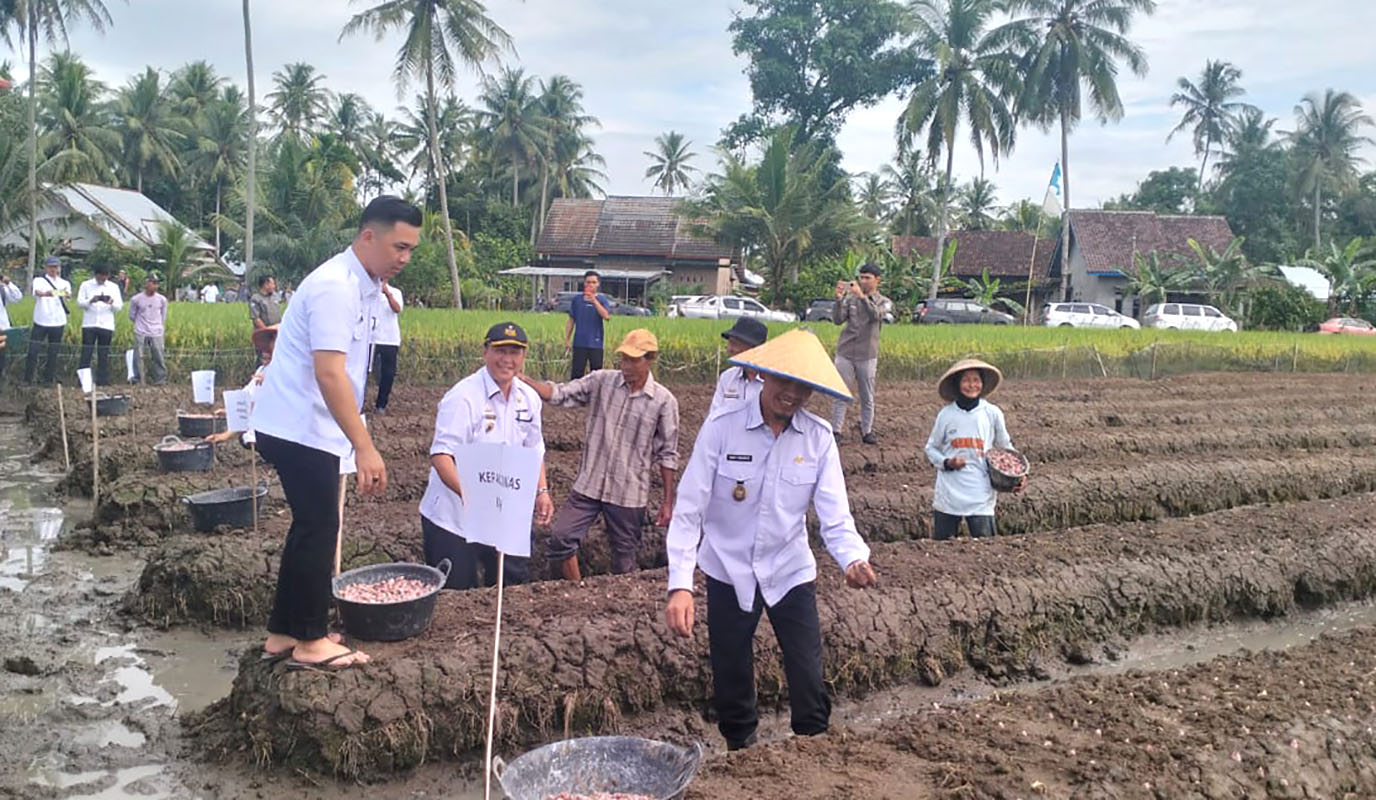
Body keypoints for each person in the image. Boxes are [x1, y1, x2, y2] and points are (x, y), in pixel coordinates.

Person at [664, 328, 878, 751]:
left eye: (803, 387)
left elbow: (836, 517)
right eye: (785, 381)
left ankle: (812, 749)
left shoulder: (817, 438)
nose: (792, 394)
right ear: (764, 376)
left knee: (807, 672)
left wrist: (853, 558)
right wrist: (680, 586)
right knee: (731, 671)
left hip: (789, 568)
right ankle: (741, 753)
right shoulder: (722, 429)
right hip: (728, 568)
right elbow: (689, 510)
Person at [250, 195, 421, 671]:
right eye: (399, 246)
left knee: (311, 526)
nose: (404, 258)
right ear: (369, 236)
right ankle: (310, 641)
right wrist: (364, 447)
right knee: (321, 527)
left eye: (411, 249)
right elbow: (329, 373)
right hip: (300, 425)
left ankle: (284, 633)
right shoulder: (336, 287)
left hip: (308, 426)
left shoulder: (364, 286)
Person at [519, 329, 679, 580]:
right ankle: (578, 591)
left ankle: (616, 606)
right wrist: (527, 382)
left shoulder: (663, 401)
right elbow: (560, 393)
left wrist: (668, 502)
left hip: (628, 492)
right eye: (623, 358)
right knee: (561, 539)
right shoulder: (602, 381)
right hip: (590, 484)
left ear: (650, 359)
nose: (626, 365)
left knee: (624, 557)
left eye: (633, 360)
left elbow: (667, 454)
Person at [419, 322, 555, 590]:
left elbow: (534, 447)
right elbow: (441, 456)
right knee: (457, 594)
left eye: (515, 353)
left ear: (523, 357)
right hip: (455, 518)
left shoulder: (528, 398)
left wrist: (542, 490)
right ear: (485, 352)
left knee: (512, 589)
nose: (507, 360)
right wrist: (473, 496)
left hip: (506, 513)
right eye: (500, 351)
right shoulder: (463, 397)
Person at [924, 358, 1023, 540]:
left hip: (980, 492)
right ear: (957, 384)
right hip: (949, 493)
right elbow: (931, 449)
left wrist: (1016, 478)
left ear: (982, 384)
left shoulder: (992, 413)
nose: (972, 385)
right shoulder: (946, 415)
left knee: (985, 547)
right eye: (966, 380)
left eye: (976, 380)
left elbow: (1005, 448)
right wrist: (947, 462)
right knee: (943, 548)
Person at [829, 262, 892, 445]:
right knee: (840, 393)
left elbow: (875, 316)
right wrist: (839, 299)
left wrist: (862, 297)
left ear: (877, 280)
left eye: (867, 278)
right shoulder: (851, 299)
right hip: (846, 351)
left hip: (867, 354)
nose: (863, 281)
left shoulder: (884, 301)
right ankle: (836, 430)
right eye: (861, 277)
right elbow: (837, 320)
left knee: (867, 395)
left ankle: (867, 431)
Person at [707, 317, 768, 418]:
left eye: (735, 344)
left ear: (755, 348)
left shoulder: (773, 382)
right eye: (730, 343)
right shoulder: (727, 378)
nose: (730, 349)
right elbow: (714, 416)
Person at [25, 256, 71, 385]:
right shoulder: (39, 280)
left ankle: (48, 379)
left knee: (53, 352)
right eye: (51, 267)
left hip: (58, 321)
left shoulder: (64, 283)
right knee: (33, 350)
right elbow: (38, 292)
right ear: (46, 267)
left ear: (59, 268)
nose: (53, 269)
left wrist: (53, 293)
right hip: (41, 320)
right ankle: (28, 379)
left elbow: (68, 295)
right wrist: (53, 293)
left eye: (56, 267)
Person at [77, 265, 123, 386]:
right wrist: (91, 300)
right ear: (95, 274)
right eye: (100, 276)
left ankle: (102, 381)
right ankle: (84, 382)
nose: (102, 279)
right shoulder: (86, 285)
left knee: (103, 354)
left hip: (106, 324)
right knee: (86, 353)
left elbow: (119, 306)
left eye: (105, 276)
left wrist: (110, 302)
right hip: (89, 324)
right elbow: (80, 303)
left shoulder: (113, 287)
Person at [564, 270, 611, 380]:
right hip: (579, 343)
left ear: (598, 284)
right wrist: (567, 339)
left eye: (594, 282)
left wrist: (594, 301)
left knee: (596, 375)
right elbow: (571, 320)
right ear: (584, 283)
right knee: (576, 374)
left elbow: (606, 316)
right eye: (588, 282)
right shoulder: (577, 300)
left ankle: (595, 396)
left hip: (596, 343)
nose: (590, 285)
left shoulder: (602, 300)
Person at [127, 273, 168, 385]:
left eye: (157, 284)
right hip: (141, 330)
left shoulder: (162, 300)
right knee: (138, 356)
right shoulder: (136, 299)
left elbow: (163, 315)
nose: (155, 286)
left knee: (158, 355)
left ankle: (160, 379)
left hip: (156, 331)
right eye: (153, 283)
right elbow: (132, 315)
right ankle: (138, 378)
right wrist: (141, 324)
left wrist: (158, 326)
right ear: (146, 283)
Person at [370, 278, 403, 413]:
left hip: (390, 339)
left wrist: (387, 293)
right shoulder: (368, 293)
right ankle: (357, 402)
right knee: (363, 371)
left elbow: (397, 309)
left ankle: (381, 404)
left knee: (388, 373)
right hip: (370, 338)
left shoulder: (395, 292)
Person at [248, 274, 282, 365]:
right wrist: (267, 332)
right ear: (266, 284)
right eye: (272, 284)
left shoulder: (275, 296)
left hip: (276, 333)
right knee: (263, 359)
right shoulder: (256, 298)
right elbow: (256, 318)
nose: (274, 286)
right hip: (263, 335)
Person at [0, 271, 23, 383]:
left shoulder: (2, 289)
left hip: (2, 330)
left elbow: (17, 297)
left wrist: (8, 283)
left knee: (1, 359)